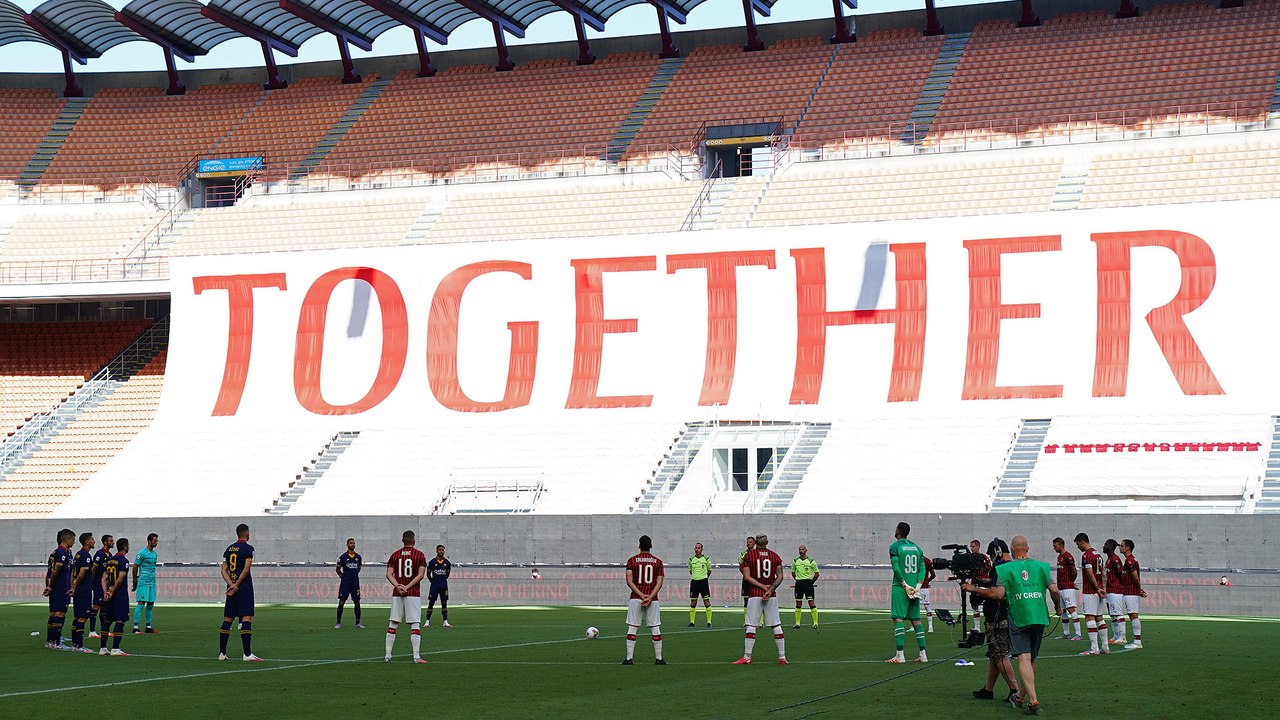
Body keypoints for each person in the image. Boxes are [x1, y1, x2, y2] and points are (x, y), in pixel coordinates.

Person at [966, 535, 1059, 716]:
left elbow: (999, 595)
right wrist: (1057, 606)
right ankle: (1019, 697)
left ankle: (1033, 700)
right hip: (1039, 616)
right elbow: (1054, 590)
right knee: (1032, 660)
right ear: (1028, 548)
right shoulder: (1042, 566)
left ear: (1011, 548)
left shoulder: (1006, 569)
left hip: (1019, 616)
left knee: (1024, 658)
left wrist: (976, 589)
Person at [970, 539, 1018, 706]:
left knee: (1000, 655)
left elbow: (996, 594)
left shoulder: (1000, 567)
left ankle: (1015, 690)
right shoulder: (1013, 566)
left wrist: (974, 589)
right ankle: (988, 690)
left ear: (996, 552)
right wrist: (985, 584)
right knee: (994, 655)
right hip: (1008, 615)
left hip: (997, 618)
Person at [734, 533, 786, 665]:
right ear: (767, 542)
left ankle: (747, 657)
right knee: (776, 625)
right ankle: (782, 657)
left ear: (756, 543)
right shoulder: (775, 556)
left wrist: (762, 587)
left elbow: (747, 576)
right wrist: (770, 589)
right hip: (771, 595)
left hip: (755, 594)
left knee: (751, 625)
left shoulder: (749, 556)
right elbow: (780, 576)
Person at [218, 523, 262, 662]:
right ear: (247, 534)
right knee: (246, 618)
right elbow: (246, 569)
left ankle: (222, 653)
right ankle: (247, 654)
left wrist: (231, 584)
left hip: (231, 589)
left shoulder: (229, 549)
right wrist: (237, 585)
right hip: (243, 588)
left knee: (228, 619)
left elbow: (223, 570)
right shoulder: (248, 549)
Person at [885, 522, 928, 664]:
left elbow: (896, 567)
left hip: (900, 587)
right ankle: (923, 655)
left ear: (897, 531)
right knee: (916, 620)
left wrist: (904, 584)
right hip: (915, 589)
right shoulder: (917, 548)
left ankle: (900, 655)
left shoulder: (895, 547)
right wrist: (918, 586)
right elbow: (923, 568)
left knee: (898, 619)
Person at [385, 530, 428, 663]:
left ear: (402, 540)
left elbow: (388, 574)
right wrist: (407, 587)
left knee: (393, 623)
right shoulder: (419, 555)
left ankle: (387, 655)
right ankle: (416, 656)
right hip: (413, 593)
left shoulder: (394, 555)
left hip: (397, 593)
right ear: (414, 541)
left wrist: (398, 586)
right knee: (415, 623)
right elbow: (420, 575)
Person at [623, 535, 665, 665]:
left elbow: (629, 581)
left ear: (639, 545)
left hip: (636, 598)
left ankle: (629, 659)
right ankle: (658, 658)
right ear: (651, 546)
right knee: (655, 628)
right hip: (653, 599)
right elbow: (660, 582)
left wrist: (641, 595)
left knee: (632, 628)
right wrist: (650, 596)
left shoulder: (632, 561)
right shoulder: (658, 562)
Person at [1074, 533, 1110, 655]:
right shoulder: (1098, 555)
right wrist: (1103, 588)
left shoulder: (1087, 555)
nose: (1078, 547)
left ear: (1082, 541)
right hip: (1100, 590)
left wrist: (1097, 588)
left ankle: (1094, 648)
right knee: (1099, 617)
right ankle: (1105, 647)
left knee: (1089, 617)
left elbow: (1089, 573)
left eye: (1078, 544)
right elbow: (1104, 572)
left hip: (1091, 591)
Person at [43, 528, 75, 650]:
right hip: (60, 587)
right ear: (66, 539)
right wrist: (51, 586)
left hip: (59, 587)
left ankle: (51, 641)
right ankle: (56, 642)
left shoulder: (58, 553)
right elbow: (55, 571)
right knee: (59, 613)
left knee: (54, 613)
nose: (73, 542)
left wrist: (49, 586)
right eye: (72, 540)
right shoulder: (62, 553)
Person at [99, 538, 132, 656]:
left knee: (107, 621)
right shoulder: (124, 561)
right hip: (119, 595)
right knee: (120, 620)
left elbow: (104, 578)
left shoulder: (109, 560)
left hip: (109, 594)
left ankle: (103, 648)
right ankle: (115, 648)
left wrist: (106, 592)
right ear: (125, 547)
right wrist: (112, 591)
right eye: (128, 546)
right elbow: (120, 579)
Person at [68, 532, 96, 653]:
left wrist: (73, 586)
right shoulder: (86, 556)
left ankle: (74, 644)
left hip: (79, 590)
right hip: (84, 590)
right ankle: (79, 645)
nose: (94, 541)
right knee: (83, 617)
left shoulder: (78, 555)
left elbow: (73, 573)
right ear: (87, 542)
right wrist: (75, 585)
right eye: (92, 539)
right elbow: (81, 574)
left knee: (77, 617)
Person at [1052, 537, 1081, 640]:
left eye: (1055, 546)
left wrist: (1070, 582)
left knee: (1071, 609)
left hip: (1067, 587)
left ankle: (1078, 634)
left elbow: (1074, 571)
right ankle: (1066, 633)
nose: (1054, 548)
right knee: (1063, 610)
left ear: (1060, 545)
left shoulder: (1068, 556)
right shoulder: (1059, 557)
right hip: (1061, 587)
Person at [1120, 539, 1147, 649]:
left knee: (1133, 615)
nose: (1120, 547)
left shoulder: (1129, 561)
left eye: (1122, 546)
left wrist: (1139, 589)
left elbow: (1135, 576)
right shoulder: (1130, 560)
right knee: (1132, 615)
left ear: (1127, 548)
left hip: (1131, 591)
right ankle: (1137, 641)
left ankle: (1137, 642)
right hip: (1130, 591)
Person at [132, 533, 160, 634]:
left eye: (157, 541)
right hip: (143, 581)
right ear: (149, 541)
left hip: (152, 581)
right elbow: (135, 566)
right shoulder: (142, 553)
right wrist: (135, 580)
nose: (156, 542)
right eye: (155, 541)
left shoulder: (154, 554)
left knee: (150, 604)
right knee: (141, 603)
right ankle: (135, 627)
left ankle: (148, 626)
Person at [88, 534, 114, 639]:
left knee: (104, 607)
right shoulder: (99, 554)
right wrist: (92, 582)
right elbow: (93, 569)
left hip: (106, 585)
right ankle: (92, 631)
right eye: (111, 541)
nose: (113, 543)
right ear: (105, 542)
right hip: (98, 584)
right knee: (96, 606)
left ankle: (104, 630)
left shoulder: (110, 555)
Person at [1103, 539, 1128, 645]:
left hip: (1116, 590)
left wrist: (1120, 587)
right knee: (1112, 614)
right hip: (1109, 590)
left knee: (1118, 613)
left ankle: (1123, 637)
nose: (1104, 547)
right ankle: (1116, 635)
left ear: (1111, 547)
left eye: (1106, 545)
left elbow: (1121, 574)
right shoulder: (1108, 559)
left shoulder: (1115, 559)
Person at [335, 538, 363, 629]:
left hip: (355, 583)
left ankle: (358, 623)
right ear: (347, 545)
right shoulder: (343, 557)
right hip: (345, 583)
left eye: (354, 543)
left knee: (357, 602)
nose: (353, 545)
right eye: (351, 543)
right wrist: (342, 576)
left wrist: (353, 575)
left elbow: (358, 568)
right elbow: (337, 569)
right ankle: (338, 622)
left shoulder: (358, 557)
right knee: (342, 601)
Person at [791, 545, 819, 629]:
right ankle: (797, 624)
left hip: (808, 583)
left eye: (802, 549)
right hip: (799, 583)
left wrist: (811, 582)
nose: (801, 551)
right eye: (800, 549)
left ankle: (815, 623)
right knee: (798, 603)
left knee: (811, 602)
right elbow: (793, 573)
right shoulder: (795, 561)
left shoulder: (811, 561)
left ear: (806, 550)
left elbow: (817, 574)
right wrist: (798, 579)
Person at [968, 539, 992, 633]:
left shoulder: (984, 558)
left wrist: (984, 579)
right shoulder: (969, 558)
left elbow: (988, 569)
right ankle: (977, 627)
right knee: (974, 606)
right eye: (971, 547)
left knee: (986, 605)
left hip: (983, 585)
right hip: (974, 584)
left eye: (973, 546)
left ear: (978, 547)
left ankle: (988, 624)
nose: (972, 548)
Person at [425, 544, 452, 628]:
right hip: (434, 586)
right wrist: (433, 582)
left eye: (442, 550)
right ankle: (427, 622)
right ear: (436, 551)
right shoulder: (432, 562)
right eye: (439, 550)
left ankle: (445, 622)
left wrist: (442, 580)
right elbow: (428, 574)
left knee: (444, 603)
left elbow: (447, 574)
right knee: (431, 603)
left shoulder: (447, 563)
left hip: (443, 586)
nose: (441, 551)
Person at [688, 542, 712, 627]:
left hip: (703, 582)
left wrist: (704, 578)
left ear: (702, 549)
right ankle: (692, 622)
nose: (697, 549)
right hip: (694, 582)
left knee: (706, 602)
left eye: (699, 548)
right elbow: (690, 571)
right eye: (696, 548)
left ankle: (709, 622)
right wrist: (696, 577)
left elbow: (709, 570)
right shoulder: (691, 559)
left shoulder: (706, 559)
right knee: (693, 602)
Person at [738, 535, 755, 624]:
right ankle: (747, 621)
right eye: (747, 542)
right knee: (746, 600)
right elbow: (740, 567)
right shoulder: (743, 554)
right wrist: (746, 575)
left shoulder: (757, 553)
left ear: (754, 543)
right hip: (746, 580)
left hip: (756, 580)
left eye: (750, 542)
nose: (748, 544)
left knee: (758, 599)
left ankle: (760, 621)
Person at [921, 556, 936, 632]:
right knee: (915, 607)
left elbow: (933, 574)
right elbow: (933, 574)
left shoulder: (926, 560)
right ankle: (913, 626)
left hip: (921, 587)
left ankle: (930, 627)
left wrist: (926, 581)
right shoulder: (926, 560)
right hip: (918, 587)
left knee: (926, 606)